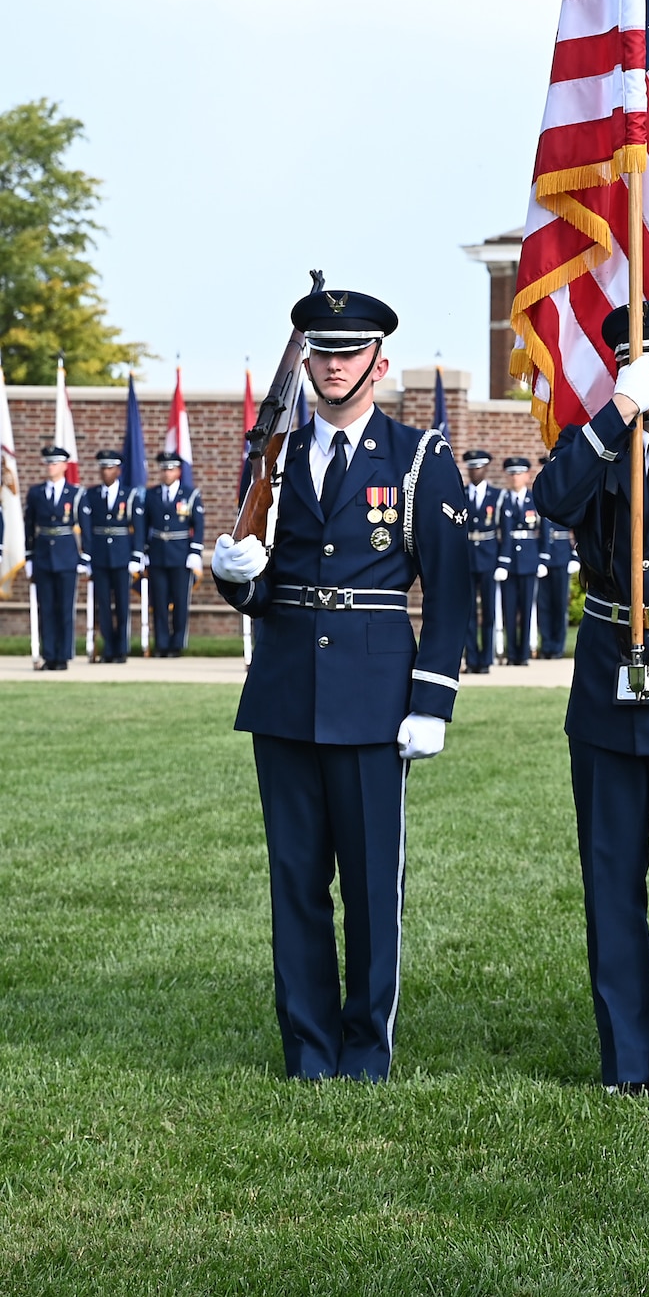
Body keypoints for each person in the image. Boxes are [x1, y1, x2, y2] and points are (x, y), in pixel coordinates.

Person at [208, 283, 471, 1082]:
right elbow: (261, 581)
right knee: (296, 881)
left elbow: (453, 593)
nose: (332, 365)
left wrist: (432, 699)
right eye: (321, 352)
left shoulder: (418, 460)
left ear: (379, 362)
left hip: (373, 695)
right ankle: (309, 1048)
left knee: (369, 887)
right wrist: (235, 578)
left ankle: (366, 1047)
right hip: (287, 688)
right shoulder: (275, 459)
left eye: (348, 351)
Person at [533, 300, 649, 1095]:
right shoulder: (596, 448)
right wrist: (618, 414)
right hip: (608, 678)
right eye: (632, 362)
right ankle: (626, 1055)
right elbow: (552, 500)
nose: (645, 373)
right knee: (611, 880)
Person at [79, 447, 144, 663]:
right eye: (103, 468)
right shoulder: (91, 494)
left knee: (122, 604)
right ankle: (108, 647)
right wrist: (87, 555)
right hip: (99, 556)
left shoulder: (129, 495)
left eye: (110, 468)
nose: (106, 472)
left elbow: (138, 527)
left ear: (118, 470)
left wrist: (136, 555)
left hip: (122, 555)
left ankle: (121, 648)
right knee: (103, 604)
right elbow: (86, 528)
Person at [24, 444, 83, 671]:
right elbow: (29, 524)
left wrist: (84, 557)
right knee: (46, 608)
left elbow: (84, 527)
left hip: (66, 555)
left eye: (55, 462)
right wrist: (29, 556)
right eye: (48, 462)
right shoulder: (36, 493)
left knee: (65, 608)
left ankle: (64, 655)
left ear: (64, 466)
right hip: (43, 556)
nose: (51, 466)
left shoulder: (75, 493)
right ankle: (49, 654)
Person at [142, 450, 205, 657]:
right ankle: (161, 643)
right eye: (164, 469)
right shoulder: (151, 495)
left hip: (180, 553)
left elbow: (199, 525)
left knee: (180, 601)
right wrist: (143, 551)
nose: (167, 473)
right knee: (159, 601)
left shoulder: (190, 494)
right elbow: (144, 526)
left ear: (178, 471)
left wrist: (195, 551)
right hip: (158, 553)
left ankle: (177, 643)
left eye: (171, 469)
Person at [494, 457, 541, 667]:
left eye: (519, 473)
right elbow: (500, 532)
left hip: (529, 559)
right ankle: (512, 653)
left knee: (527, 609)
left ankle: (524, 654)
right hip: (510, 562)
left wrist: (543, 558)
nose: (515, 477)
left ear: (527, 476)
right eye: (512, 473)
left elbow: (544, 530)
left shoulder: (534, 500)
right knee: (509, 610)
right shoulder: (502, 501)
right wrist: (502, 563)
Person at [462, 447, 501, 673]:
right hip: (467, 557)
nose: (475, 472)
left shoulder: (497, 496)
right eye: (472, 469)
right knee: (468, 612)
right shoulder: (461, 493)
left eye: (479, 468)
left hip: (488, 556)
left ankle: (485, 660)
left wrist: (502, 561)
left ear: (486, 469)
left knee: (488, 611)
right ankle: (471, 659)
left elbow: (502, 531)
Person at [535, 455, 578, 660]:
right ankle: (547, 645)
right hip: (544, 559)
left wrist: (574, 556)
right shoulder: (542, 494)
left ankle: (558, 646)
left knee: (559, 605)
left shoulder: (567, 494)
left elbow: (577, 526)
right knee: (543, 605)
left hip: (561, 556)